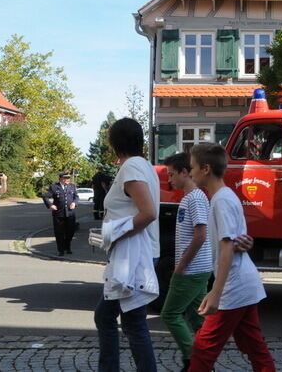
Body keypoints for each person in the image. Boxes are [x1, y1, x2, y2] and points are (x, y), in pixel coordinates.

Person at [161, 152, 254, 371]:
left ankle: (193, 358)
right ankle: (205, 359)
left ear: (186, 173)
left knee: (170, 313)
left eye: (172, 174)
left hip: (192, 268)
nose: (169, 179)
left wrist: (182, 265)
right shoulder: (190, 198)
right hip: (197, 267)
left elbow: (201, 235)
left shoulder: (196, 198)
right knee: (196, 316)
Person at [188, 143, 274, 372]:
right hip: (243, 282)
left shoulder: (221, 200)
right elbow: (235, 240)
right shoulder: (225, 197)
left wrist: (215, 292)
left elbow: (226, 246)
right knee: (254, 347)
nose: (190, 172)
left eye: (192, 167)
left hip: (234, 285)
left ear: (205, 169)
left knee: (203, 347)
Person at [94, 118, 160, 372]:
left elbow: (148, 213)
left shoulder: (132, 168)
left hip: (133, 255)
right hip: (138, 253)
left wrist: (114, 234)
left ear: (114, 142)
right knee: (124, 319)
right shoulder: (143, 165)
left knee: (120, 320)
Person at [42, 172, 79, 256]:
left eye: (69, 178)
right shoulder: (54, 187)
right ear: (61, 179)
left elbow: (76, 197)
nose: (68, 180)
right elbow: (45, 196)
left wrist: (74, 203)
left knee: (70, 232)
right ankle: (60, 249)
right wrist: (50, 205)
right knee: (59, 232)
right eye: (66, 178)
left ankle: (67, 246)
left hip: (70, 213)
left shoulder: (72, 186)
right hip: (59, 214)